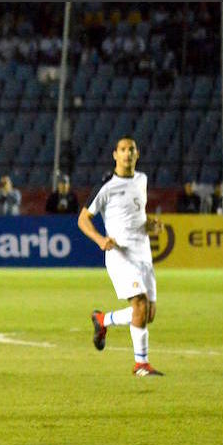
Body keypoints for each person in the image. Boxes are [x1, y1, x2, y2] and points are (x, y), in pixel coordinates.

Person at [77, 135, 164, 377]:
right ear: (115, 155)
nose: (127, 154)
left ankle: (102, 320)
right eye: (123, 150)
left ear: (138, 154)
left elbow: (137, 218)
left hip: (143, 253)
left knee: (148, 314)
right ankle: (141, 365)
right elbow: (83, 219)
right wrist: (100, 239)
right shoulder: (106, 185)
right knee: (140, 305)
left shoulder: (142, 180)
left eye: (132, 150)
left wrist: (151, 226)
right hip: (120, 254)